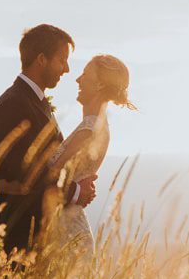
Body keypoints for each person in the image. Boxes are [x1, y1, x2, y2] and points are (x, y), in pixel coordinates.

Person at [0, 24, 97, 255]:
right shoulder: (14, 104)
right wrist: (74, 191)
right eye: (62, 60)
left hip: (31, 232)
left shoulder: (33, 102)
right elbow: (25, 174)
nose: (67, 69)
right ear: (41, 59)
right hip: (14, 233)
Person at [44, 55, 134, 262]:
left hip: (67, 236)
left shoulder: (89, 130)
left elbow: (50, 176)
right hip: (65, 230)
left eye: (85, 74)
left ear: (100, 84)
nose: (78, 80)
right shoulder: (95, 126)